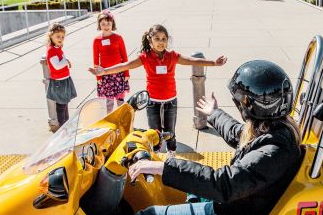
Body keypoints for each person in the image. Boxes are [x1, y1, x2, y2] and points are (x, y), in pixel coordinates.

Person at [109, 60, 304, 215]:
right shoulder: (272, 130)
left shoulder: (274, 151)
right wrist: (214, 113)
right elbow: (238, 133)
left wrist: (164, 167)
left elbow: (224, 184)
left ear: (249, 105)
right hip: (229, 207)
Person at [91, 24, 226, 157]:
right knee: (154, 132)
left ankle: (171, 154)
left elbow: (193, 60)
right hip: (152, 102)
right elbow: (125, 65)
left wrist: (214, 63)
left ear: (167, 40)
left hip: (170, 101)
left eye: (164, 39)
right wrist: (104, 71)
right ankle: (155, 154)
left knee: (170, 131)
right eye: (157, 39)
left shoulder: (172, 56)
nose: (161, 42)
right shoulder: (145, 57)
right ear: (150, 40)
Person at [93, 10, 129, 111]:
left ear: (112, 23)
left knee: (120, 100)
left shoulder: (118, 38)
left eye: (108, 23)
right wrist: (98, 76)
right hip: (105, 74)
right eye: (103, 24)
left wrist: (126, 73)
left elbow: (125, 57)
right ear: (99, 24)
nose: (106, 26)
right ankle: (110, 120)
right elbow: (96, 60)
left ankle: (121, 118)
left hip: (119, 73)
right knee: (109, 102)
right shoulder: (97, 40)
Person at [45, 21, 77, 126]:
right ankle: (63, 126)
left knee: (65, 104)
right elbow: (57, 65)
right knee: (61, 105)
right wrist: (66, 61)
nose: (60, 39)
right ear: (51, 36)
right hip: (59, 82)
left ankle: (66, 124)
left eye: (62, 37)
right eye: (58, 36)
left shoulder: (58, 48)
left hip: (64, 79)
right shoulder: (51, 50)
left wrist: (65, 60)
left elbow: (61, 60)